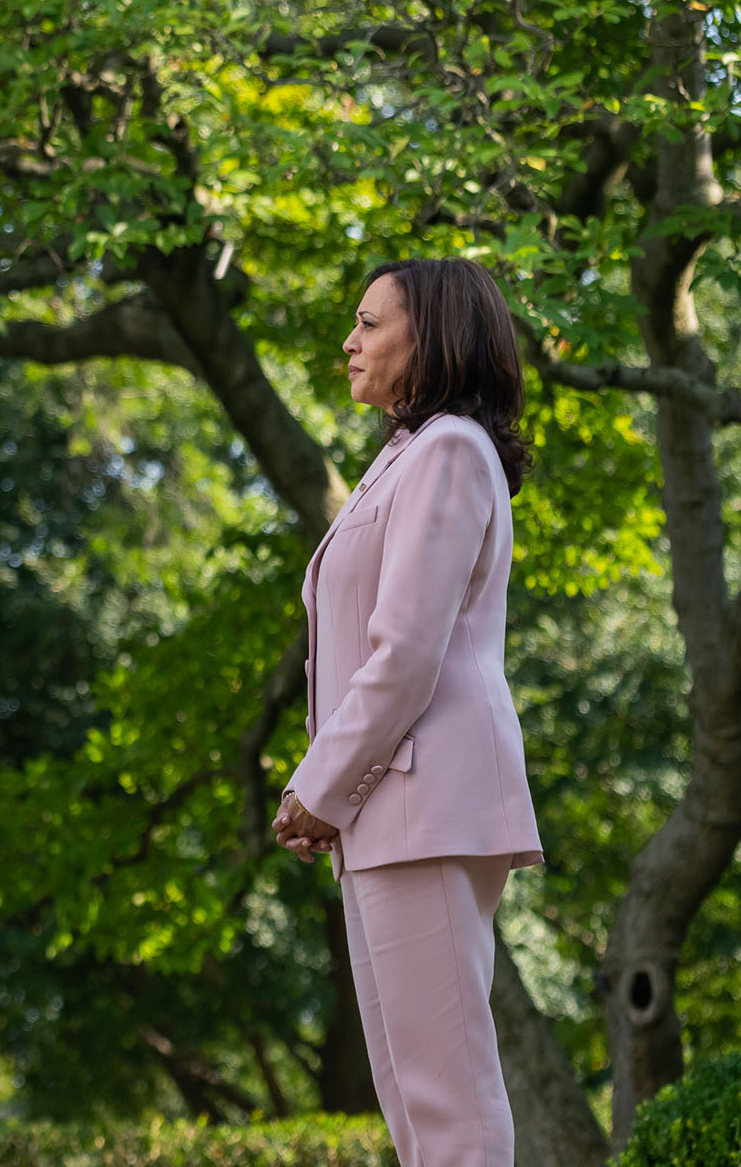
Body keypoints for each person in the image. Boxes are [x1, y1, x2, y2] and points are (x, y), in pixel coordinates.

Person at [271, 257, 543, 1166]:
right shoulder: (403, 457)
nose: (348, 342)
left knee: (450, 1107)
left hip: (428, 808)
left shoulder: (450, 451)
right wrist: (330, 797)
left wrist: (321, 786)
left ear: (430, 338)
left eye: (369, 323)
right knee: (416, 1111)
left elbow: (408, 654)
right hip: (388, 816)